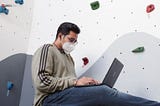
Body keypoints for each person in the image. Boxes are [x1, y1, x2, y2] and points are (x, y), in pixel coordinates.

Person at [32, 22, 160, 106]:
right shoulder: (47, 49)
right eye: (71, 40)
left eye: (75, 41)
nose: (73, 44)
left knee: (107, 92)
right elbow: (42, 82)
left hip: (64, 97)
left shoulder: (69, 58)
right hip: (48, 100)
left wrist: (88, 86)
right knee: (103, 92)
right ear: (60, 36)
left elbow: (68, 86)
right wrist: (75, 82)